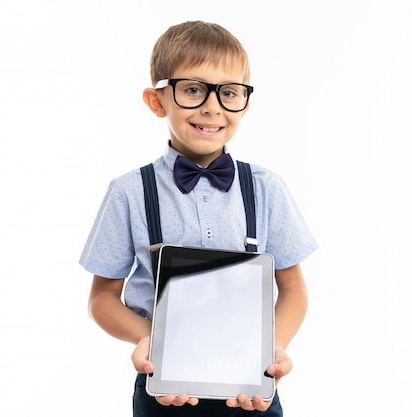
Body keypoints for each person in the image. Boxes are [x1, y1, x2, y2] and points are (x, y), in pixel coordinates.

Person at [79, 20, 317, 417]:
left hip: (250, 387)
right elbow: (102, 297)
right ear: (158, 101)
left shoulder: (266, 188)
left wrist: (271, 350)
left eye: (228, 93)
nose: (212, 107)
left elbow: (293, 288)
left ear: (245, 101)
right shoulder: (129, 192)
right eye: (193, 89)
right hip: (162, 385)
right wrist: (150, 339)